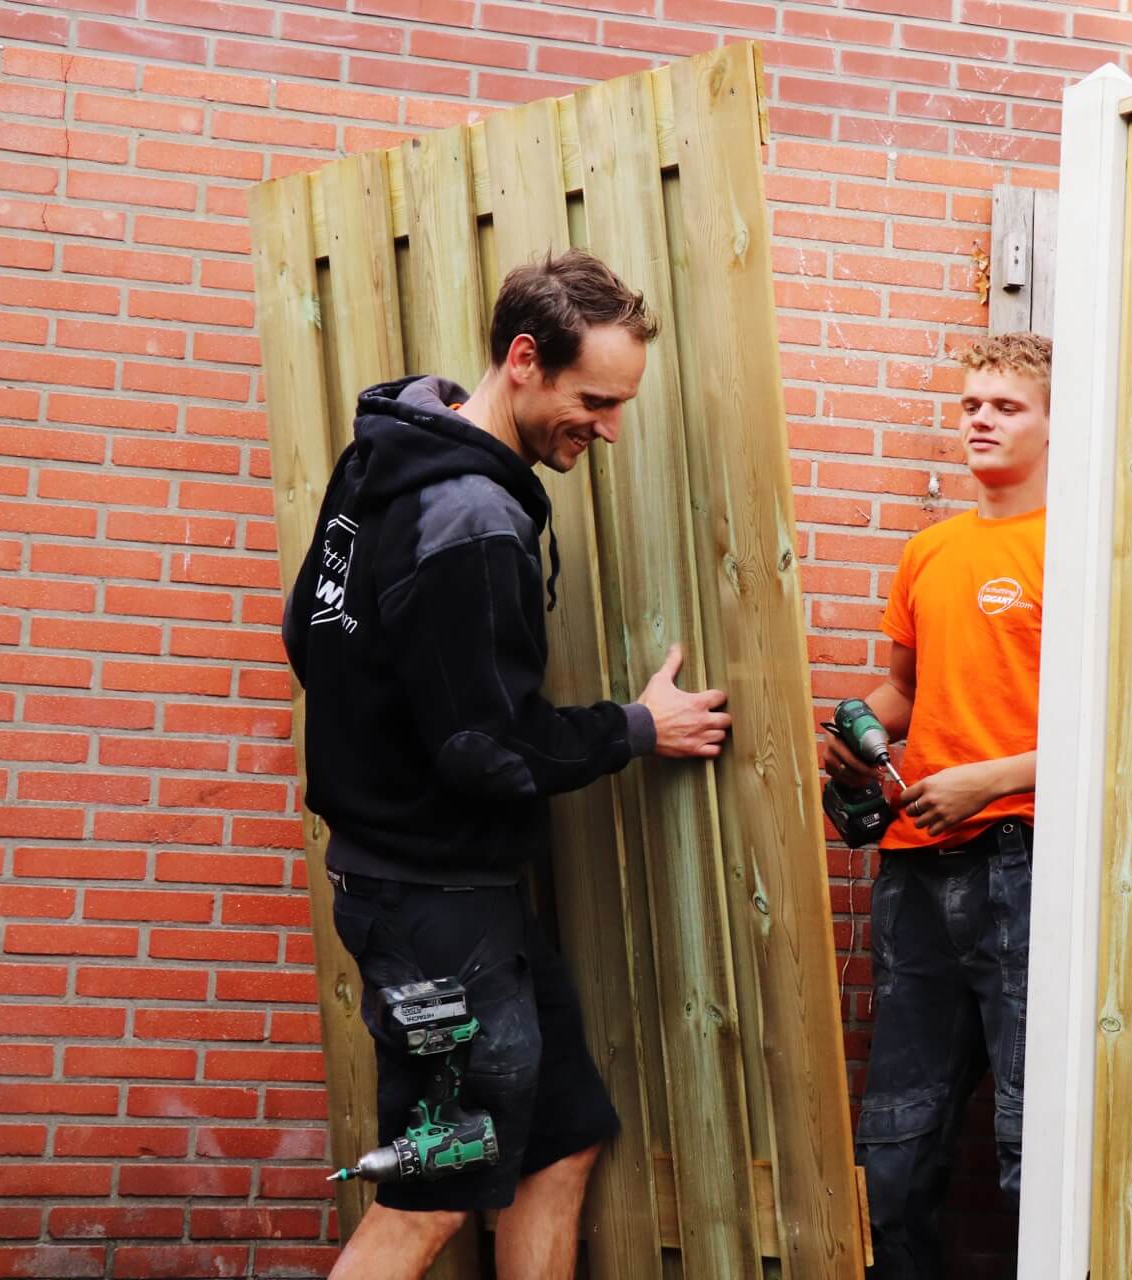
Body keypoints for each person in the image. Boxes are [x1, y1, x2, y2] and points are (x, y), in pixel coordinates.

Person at [283, 250, 731, 1280]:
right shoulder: (475, 522)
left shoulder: (384, 455)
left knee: (561, 1134)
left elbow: (308, 626)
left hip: (449, 893)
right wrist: (635, 727)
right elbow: (487, 747)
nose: (610, 428)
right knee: (434, 1198)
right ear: (525, 359)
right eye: (596, 400)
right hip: (435, 913)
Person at [819, 331, 1051, 1279]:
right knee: (895, 1149)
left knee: (1034, 1142)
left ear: (1054, 423)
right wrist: (842, 739)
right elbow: (905, 696)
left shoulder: (1080, 550)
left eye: (1007, 406)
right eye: (971, 406)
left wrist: (990, 779)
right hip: (915, 867)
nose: (981, 421)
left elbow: (1120, 727)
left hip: (1025, 864)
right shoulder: (929, 550)